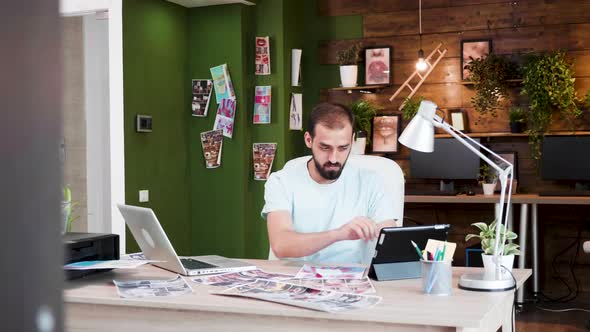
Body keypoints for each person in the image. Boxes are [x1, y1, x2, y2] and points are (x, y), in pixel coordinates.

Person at [261, 103, 399, 264]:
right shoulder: (281, 181)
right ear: (308, 140)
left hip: (349, 282)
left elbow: (390, 240)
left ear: (352, 141)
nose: (333, 158)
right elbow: (281, 245)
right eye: (325, 147)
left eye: (342, 148)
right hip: (294, 280)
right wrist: (339, 234)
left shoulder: (371, 181)